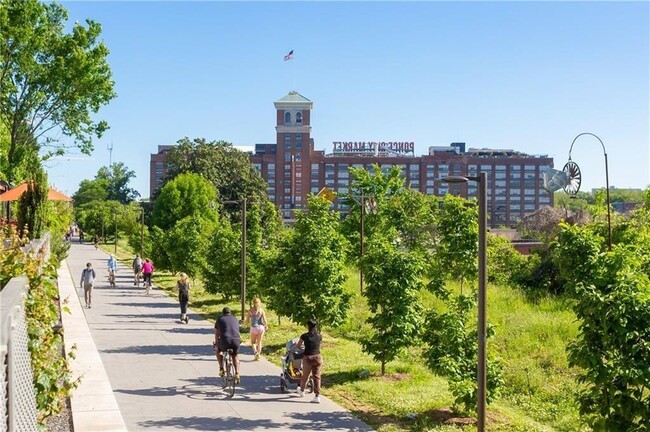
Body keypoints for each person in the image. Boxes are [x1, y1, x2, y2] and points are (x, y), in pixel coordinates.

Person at [294, 319, 323, 403]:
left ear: (308, 326)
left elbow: (298, 346)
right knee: (317, 376)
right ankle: (317, 396)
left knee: (305, 375)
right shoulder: (319, 336)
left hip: (308, 358)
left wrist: (297, 346)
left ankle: (302, 390)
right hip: (318, 357)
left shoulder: (304, 336)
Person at [214, 307, 241, 384]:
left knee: (217, 350)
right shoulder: (235, 318)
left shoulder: (220, 319)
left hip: (225, 340)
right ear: (230, 313)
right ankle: (237, 373)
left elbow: (217, 333)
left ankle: (221, 369)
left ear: (223, 313)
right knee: (234, 356)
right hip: (236, 340)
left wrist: (216, 343)